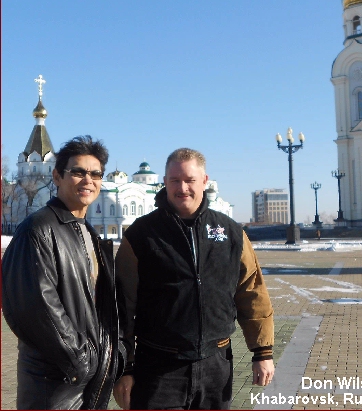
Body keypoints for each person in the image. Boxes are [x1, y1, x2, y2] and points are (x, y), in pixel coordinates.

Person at [113, 148, 274, 410]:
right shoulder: (141, 234)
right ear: (164, 182)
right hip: (158, 368)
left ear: (205, 181)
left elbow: (251, 291)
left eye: (190, 180)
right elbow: (122, 305)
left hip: (216, 364)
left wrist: (262, 352)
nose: (182, 188)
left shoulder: (230, 232)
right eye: (175, 180)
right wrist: (125, 367)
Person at [2, 135, 127, 410]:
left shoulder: (87, 232)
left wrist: (112, 355)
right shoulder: (38, 229)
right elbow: (36, 307)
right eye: (78, 172)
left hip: (85, 381)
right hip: (54, 384)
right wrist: (82, 361)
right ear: (57, 176)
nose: (88, 180)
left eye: (96, 174)